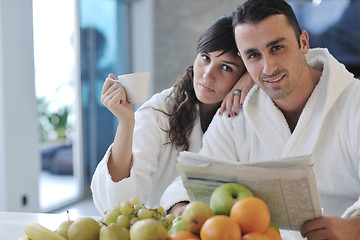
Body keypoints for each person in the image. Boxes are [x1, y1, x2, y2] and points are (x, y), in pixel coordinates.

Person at [163, 0, 360, 239]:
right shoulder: (237, 112)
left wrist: (353, 228)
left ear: (303, 42)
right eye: (254, 55)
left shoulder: (354, 103)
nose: (269, 68)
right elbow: (195, 178)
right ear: (244, 62)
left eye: (277, 48)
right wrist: (183, 209)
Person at [90, 13, 254, 215]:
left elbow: (302, 59)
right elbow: (117, 203)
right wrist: (126, 123)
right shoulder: (160, 111)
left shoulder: (251, 112)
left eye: (226, 67)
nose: (207, 74)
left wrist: (254, 79)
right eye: (205, 58)